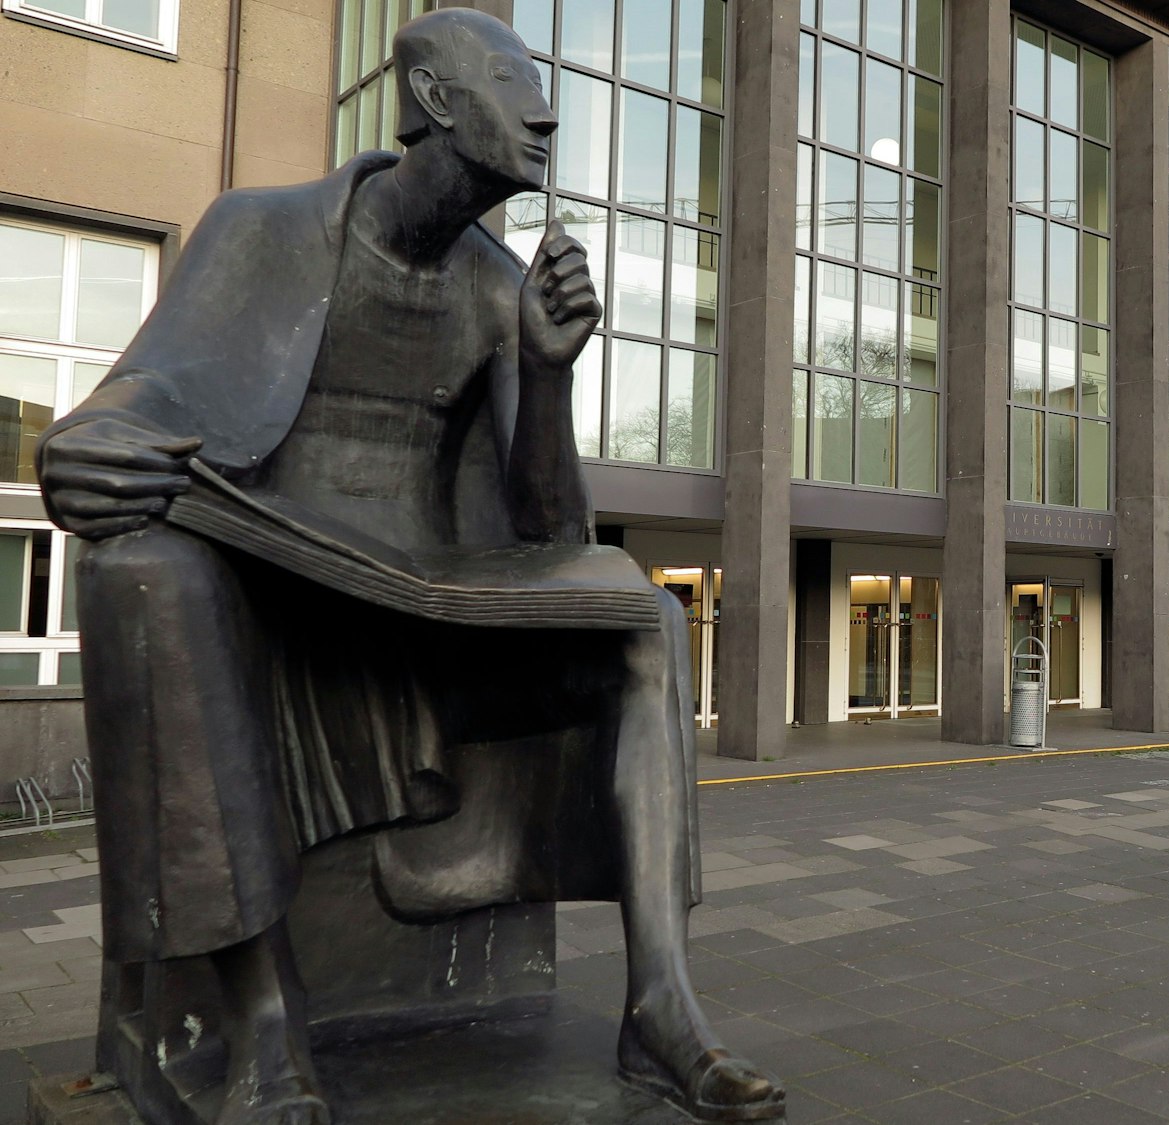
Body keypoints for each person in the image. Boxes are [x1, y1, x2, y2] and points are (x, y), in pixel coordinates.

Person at [35, 10, 779, 1123]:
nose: (545, 111)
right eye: (513, 83)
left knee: (646, 628)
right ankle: (265, 1028)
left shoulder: (494, 287)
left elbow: (547, 528)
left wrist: (547, 371)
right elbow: (145, 399)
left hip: (431, 621)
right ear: (435, 101)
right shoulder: (262, 231)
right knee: (146, 571)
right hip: (273, 609)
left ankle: (661, 1008)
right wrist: (78, 447)